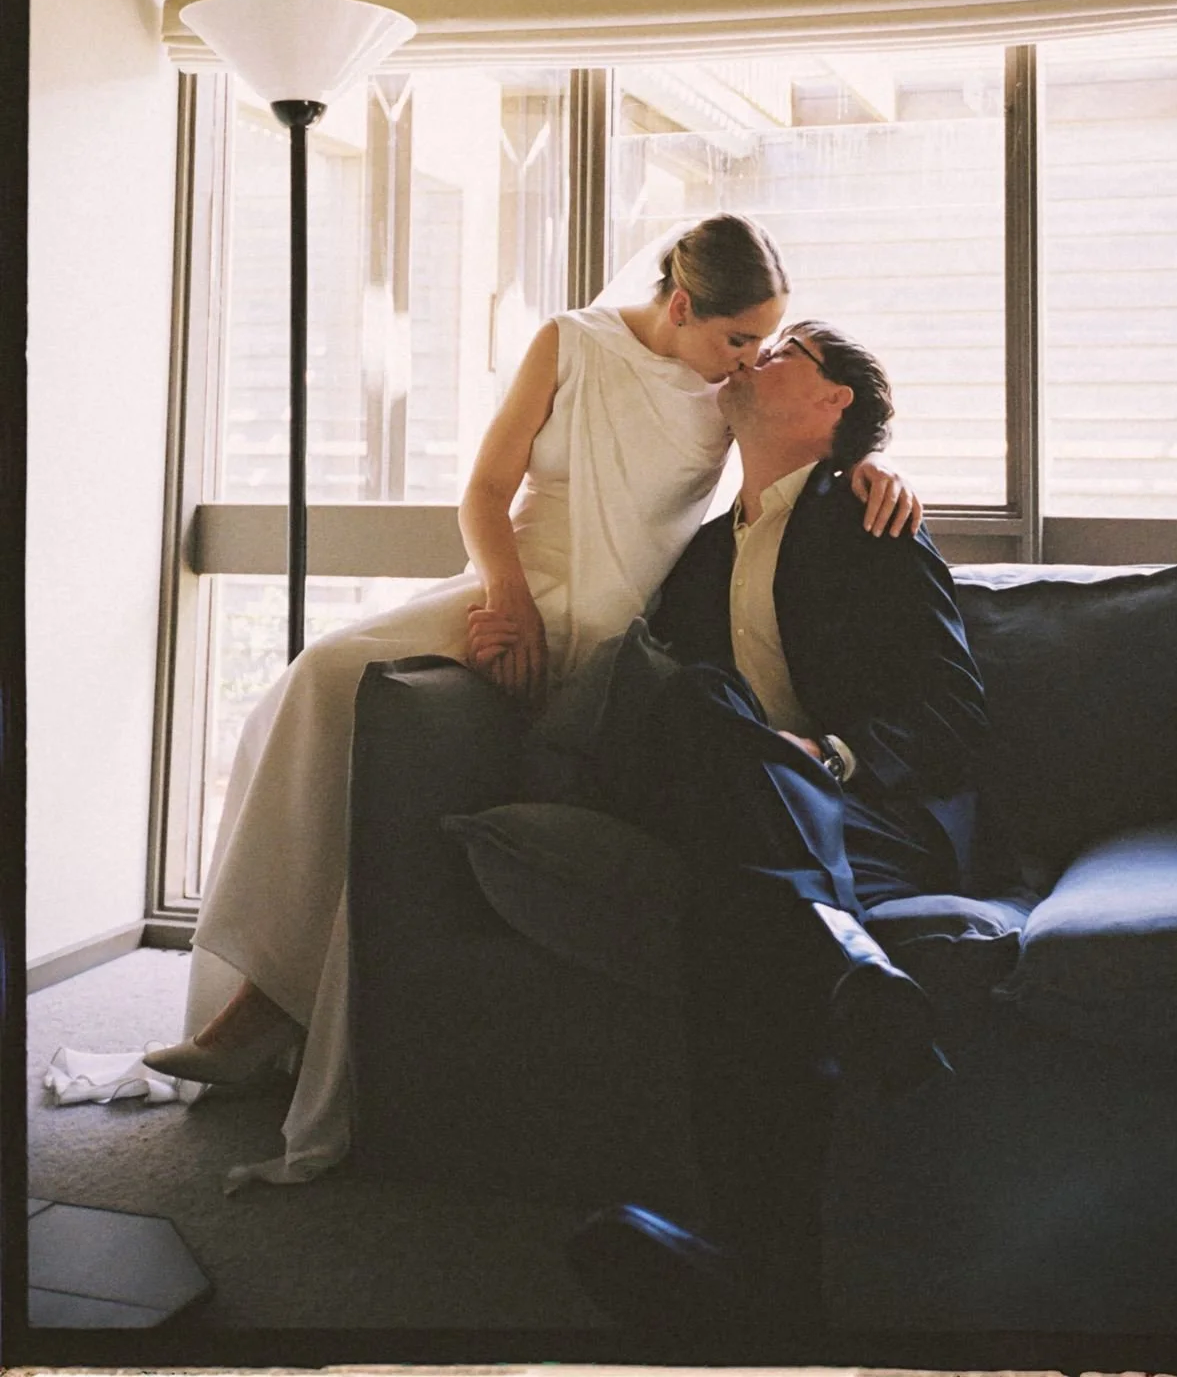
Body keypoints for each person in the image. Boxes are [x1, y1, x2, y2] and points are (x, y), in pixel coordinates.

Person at [145, 216, 920, 1188]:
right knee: (320, 679)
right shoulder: (574, 343)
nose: (751, 359)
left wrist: (869, 467)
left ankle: (279, 1016)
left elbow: (808, 450)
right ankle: (258, 995)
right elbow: (485, 487)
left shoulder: (729, 401)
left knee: (433, 764)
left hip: (609, 645)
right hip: (513, 590)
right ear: (680, 305)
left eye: (765, 344)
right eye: (737, 338)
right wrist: (506, 594)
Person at [557, 319, 989, 1346]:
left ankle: (760, 1276)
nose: (757, 355)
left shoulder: (869, 519)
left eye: (788, 348)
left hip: (865, 810)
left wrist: (831, 755)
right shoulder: (704, 551)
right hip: (753, 803)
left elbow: (953, 713)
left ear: (833, 403)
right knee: (703, 712)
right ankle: (838, 951)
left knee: (736, 904)